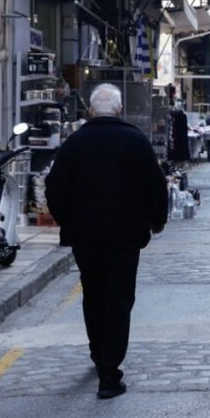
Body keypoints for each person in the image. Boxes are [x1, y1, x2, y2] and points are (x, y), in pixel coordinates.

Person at [45, 84, 168, 399]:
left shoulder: (75, 143)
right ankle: (109, 374)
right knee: (119, 299)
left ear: (89, 112)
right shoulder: (135, 140)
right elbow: (155, 186)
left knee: (93, 294)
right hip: (125, 237)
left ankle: (99, 354)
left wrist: (66, 220)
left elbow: (54, 186)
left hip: (85, 237)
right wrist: (157, 221)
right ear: (119, 110)